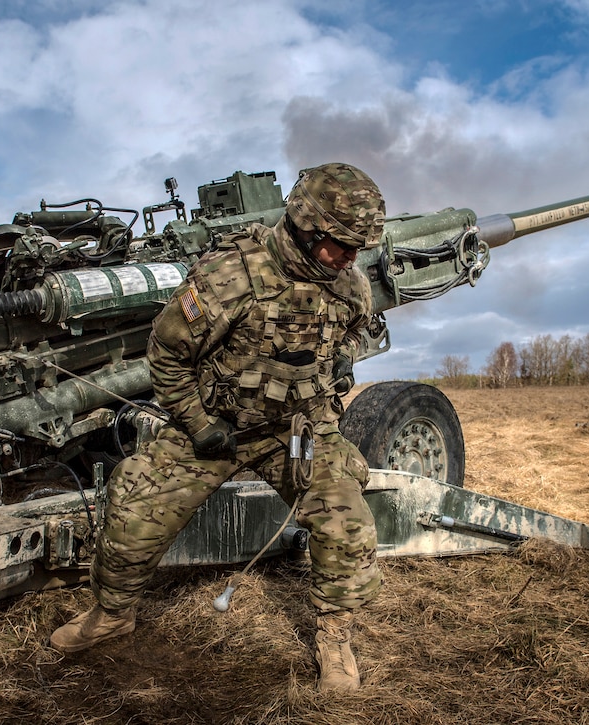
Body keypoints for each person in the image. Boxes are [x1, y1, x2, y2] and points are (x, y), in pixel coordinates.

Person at [50, 162, 387, 692]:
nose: (350, 257)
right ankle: (112, 614)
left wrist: (330, 374)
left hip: (295, 430)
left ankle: (335, 637)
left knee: (347, 523)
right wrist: (198, 423)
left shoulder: (350, 287)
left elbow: (349, 340)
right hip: (214, 426)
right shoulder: (231, 277)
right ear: (306, 226)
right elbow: (166, 354)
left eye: (358, 248)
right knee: (132, 508)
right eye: (341, 244)